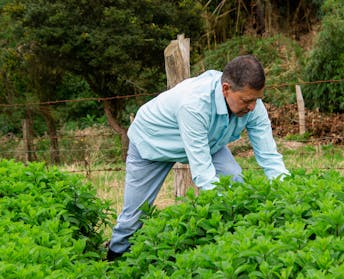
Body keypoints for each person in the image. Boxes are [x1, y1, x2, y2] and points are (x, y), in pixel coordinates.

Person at [106, 55, 289, 260]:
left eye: (257, 99)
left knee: (235, 182)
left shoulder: (253, 105)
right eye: (247, 100)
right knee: (134, 217)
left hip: (208, 141)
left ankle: (236, 247)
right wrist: (226, 209)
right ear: (226, 89)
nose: (253, 107)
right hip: (153, 143)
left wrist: (289, 194)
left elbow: (269, 156)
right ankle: (113, 263)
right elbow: (203, 174)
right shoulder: (194, 104)